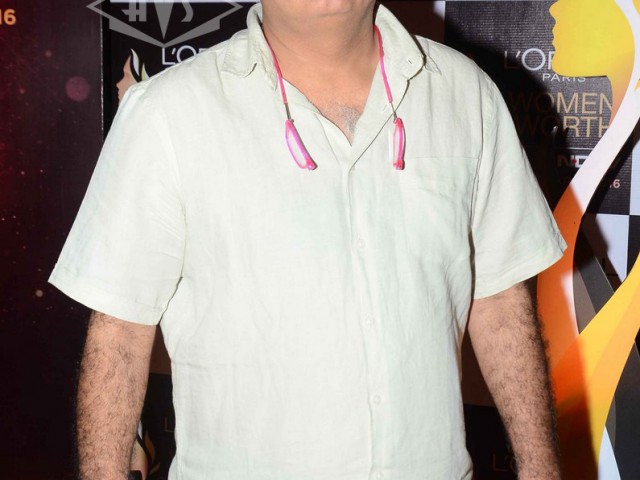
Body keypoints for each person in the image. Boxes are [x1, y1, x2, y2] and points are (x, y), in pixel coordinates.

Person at [50, 1, 566, 478]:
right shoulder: (167, 113)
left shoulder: (466, 94)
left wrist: (542, 471)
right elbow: (120, 334)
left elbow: (500, 300)